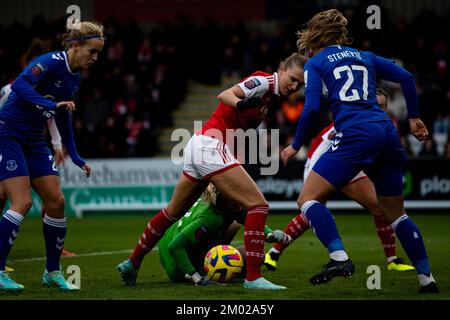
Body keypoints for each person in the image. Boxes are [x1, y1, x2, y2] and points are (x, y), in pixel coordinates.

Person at [117, 53, 307, 290]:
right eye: (292, 78)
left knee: (171, 213)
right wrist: (240, 102)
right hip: (210, 145)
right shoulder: (263, 82)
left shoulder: (271, 97)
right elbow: (225, 94)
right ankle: (253, 277)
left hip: (201, 145)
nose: (294, 86)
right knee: (258, 205)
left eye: (300, 84)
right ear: (280, 68)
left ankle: (132, 264)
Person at [281, 9, 438, 293]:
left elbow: (313, 107)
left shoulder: (315, 63)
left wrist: (295, 144)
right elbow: (407, 78)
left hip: (355, 133)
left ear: (315, 36)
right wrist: (414, 118)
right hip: (387, 133)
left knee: (307, 199)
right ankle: (427, 279)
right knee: (397, 214)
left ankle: (338, 257)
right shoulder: (365, 56)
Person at [0, 21, 104, 293]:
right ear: (76, 46)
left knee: (56, 202)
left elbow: (63, 116)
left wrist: (76, 156)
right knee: (21, 202)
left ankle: (52, 272)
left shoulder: (75, 77)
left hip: (34, 140)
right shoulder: (48, 62)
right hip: (9, 134)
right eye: (92, 51)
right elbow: (21, 83)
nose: (95, 58)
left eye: (98, 53)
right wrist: (49, 104)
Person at [265, 89, 414, 272]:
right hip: (321, 162)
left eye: (382, 107)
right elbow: (326, 146)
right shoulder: (354, 122)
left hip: (347, 164)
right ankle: (274, 252)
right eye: (375, 105)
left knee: (379, 207)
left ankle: (392, 260)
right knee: (312, 209)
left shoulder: (381, 126)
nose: (378, 110)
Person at [0, 39, 76, 263]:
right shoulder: (9, 89)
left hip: (31, 142)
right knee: (11, 198)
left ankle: (53, 265)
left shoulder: (48, 86)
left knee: (51, 198)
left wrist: (56, 144)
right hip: (8, 139)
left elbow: (50, 115)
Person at [158, 184, 291, 284]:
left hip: (175, 245)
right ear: (221, 196)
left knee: (236, 227)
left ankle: (215, 261)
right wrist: (195, 276)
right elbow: (175, 246)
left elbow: (252, 222)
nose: (240, 197)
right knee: (252, 255)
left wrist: (270, 234)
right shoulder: (210, 218)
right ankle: (204, 268)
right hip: (177, 265)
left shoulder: (227, 205)